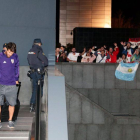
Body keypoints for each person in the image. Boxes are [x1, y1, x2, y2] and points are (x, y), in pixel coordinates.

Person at [0, 43, 19, 129]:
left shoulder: (15, 57)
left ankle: (10, 121)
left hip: (11, 85)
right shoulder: (0, 56)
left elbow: (16, 68)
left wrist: (16, 78)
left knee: (12, 103)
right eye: (9, 52)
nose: (10, 54)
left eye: (12, 52)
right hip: (1, 84)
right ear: (6, 49)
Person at [27, 39, 48, 112]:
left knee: (34, 89)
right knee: (40, 91)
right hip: (39, 73)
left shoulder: (30, 50)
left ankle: (32, 106)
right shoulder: (39, 50)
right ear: (39, 44)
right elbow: (45, 61)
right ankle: (37, 107)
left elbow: (29, 60)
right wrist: (43, 64)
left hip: (33, 72)